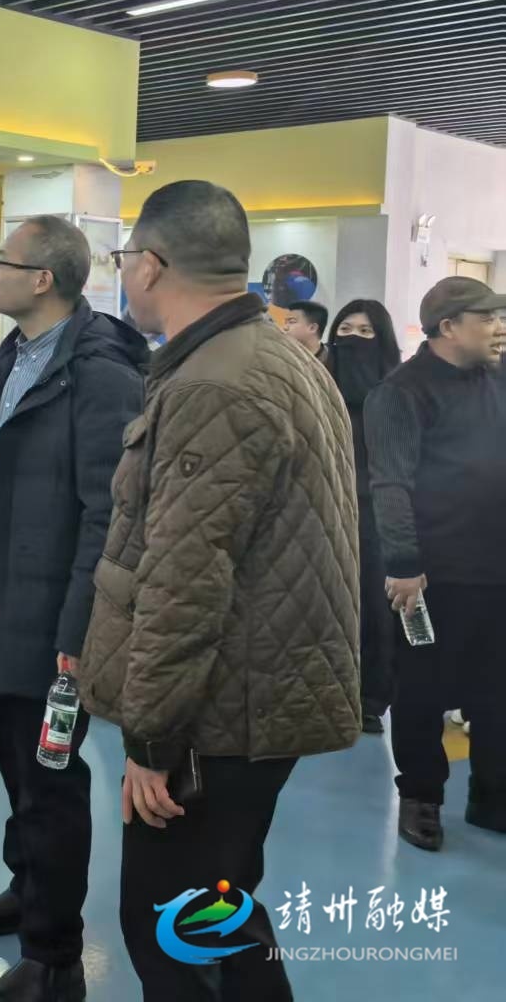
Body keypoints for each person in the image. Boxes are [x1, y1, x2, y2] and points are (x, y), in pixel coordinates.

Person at [81, 181, 361, 1002]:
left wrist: (152, 741)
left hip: (219, 712)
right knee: (221, 911)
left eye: (124, 258)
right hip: (262, 693)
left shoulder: (212, 383)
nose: (124, 274)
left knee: (169, 928)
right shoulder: (275, 355)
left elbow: (184, 579)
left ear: (151, 264)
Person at [0, 216, 147, 1002]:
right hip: (4, 597)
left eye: (4, 261)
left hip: (56, 613)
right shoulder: (12, 358)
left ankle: (56, 956)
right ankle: (27, 888)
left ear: (43, 279)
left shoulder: (99, 375)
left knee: (50, 781)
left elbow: (109, 514)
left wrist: (78, 626)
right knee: (17, 767)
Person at [364, 276, 506, 851]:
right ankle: (421, 796)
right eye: (487, 318)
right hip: (431, 576)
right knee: (422, 692)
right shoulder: (402, 392)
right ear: (449, 327)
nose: (499, 328)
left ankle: (493, 796)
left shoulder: (496, 380)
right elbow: (390, 484)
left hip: (497, 569)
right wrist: (403, 563)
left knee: (497, 691)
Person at [326, 299, 402, 734]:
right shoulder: (316, 385)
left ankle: (370, 698)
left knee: (373, 609)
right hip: (322, 510)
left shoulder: (396, 392)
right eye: (346, 329)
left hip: (376, 515)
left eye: (366, 331)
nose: (353, 338)